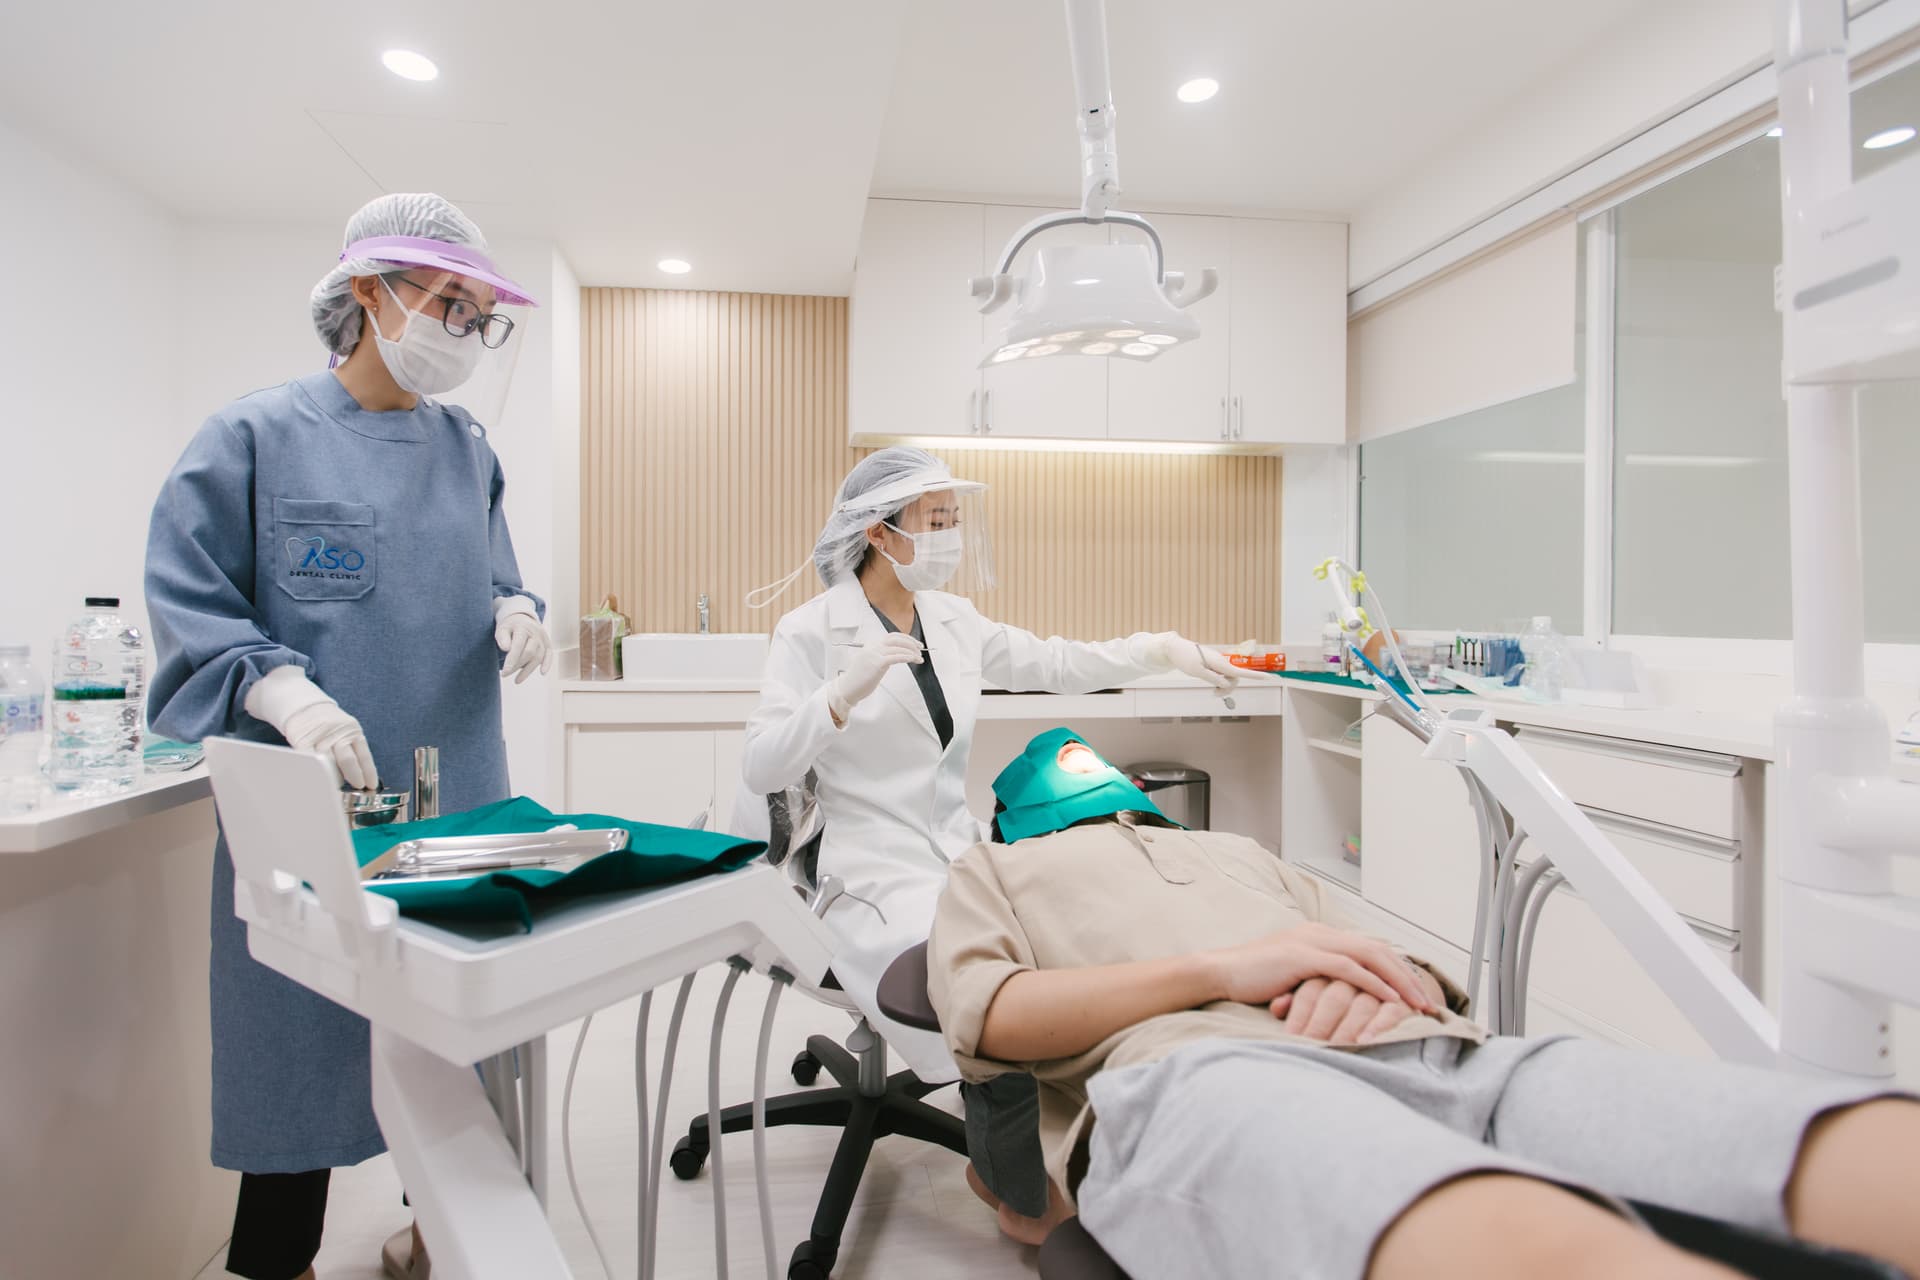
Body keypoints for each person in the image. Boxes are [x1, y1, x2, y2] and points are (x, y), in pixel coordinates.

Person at [928, 728, 1920, 1279]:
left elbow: (1386, 945)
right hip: (1206, 1073)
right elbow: (991, 1015)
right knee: (1527, 1234)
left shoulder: (1237, 849)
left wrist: (1356, 975)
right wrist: (1229, 970)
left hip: (1440, 1047)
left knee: (1784, 1130)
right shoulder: (993, 868)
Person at [144, 192, 551, 1280]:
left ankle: (439, 1234)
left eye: (478, 314)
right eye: (447, 303)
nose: (464, 332)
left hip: (456, 790)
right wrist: (281, 690)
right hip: (316, 811)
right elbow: (192, 598)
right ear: (368, 292)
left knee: (450, 1036)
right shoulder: (253, 437)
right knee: (296, 1041)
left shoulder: (467, 448)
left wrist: (520, 610)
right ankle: (277, 1259)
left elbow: (497, 571)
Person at [740, 447, 1261, 1242]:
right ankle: (1010, 1177)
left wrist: (1161, 648)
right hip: (862, 868)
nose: (950, 537)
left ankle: (1112, 1146)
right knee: (980, 984)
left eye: (954, 520)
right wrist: (839, 696)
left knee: (1066, 943)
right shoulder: (810, 632)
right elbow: (763, 764)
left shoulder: (954, 621)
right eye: (936, 522)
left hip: (953, 849)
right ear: (882, 534)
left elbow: (1057, 661)